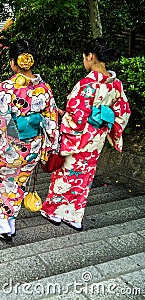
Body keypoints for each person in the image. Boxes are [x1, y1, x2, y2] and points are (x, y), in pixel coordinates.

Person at [0, 39, 60, 240]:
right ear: (31, 61)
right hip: (33, 148)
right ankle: (9, 222)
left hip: (9, 147)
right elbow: (51, 120)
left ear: (13, 62)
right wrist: (49, 146)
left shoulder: (7, 89)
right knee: (17, 184)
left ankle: (5, 225)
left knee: (1, 182)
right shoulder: (44, 88)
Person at [41, 38, 131, 231]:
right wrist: (106, 124)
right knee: (84, 177)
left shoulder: (86, 83)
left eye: (84, 57)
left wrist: (63, 118)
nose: (84, 61)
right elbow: (122, 111)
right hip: (97, 138)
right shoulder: (116, 84)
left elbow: (76, 113)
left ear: (90, 56)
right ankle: (75, 216)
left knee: (65, 173)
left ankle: (54, 211)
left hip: (78, 138)